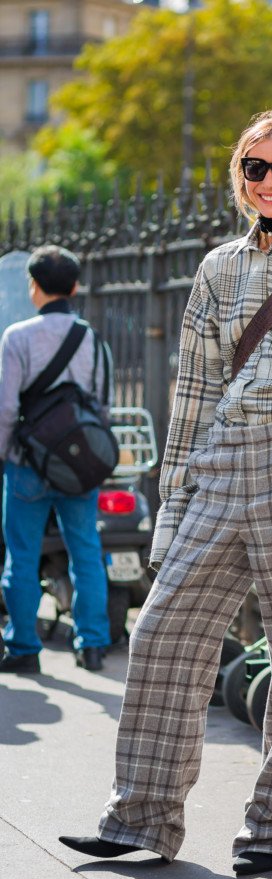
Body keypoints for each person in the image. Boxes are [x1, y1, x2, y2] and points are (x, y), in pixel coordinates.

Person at [59, 109, 272, 875]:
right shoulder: (215, 267)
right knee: (162, 633)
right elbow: (197, 388)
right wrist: (173, 498)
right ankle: (139, 819)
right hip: (222, 459)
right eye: (255, 168)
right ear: (238, 175)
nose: (268, 182)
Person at [0, 245, 112, 674]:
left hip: (26, 462)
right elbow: (102, 407)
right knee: (86, 550)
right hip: (79, 466)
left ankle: (25, 648)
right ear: (75, 286)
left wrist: (7, 452)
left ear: (33, 287)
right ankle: (93, 645)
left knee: (22, 555)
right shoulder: (93, 340)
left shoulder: (17, 337)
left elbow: (7, 408)